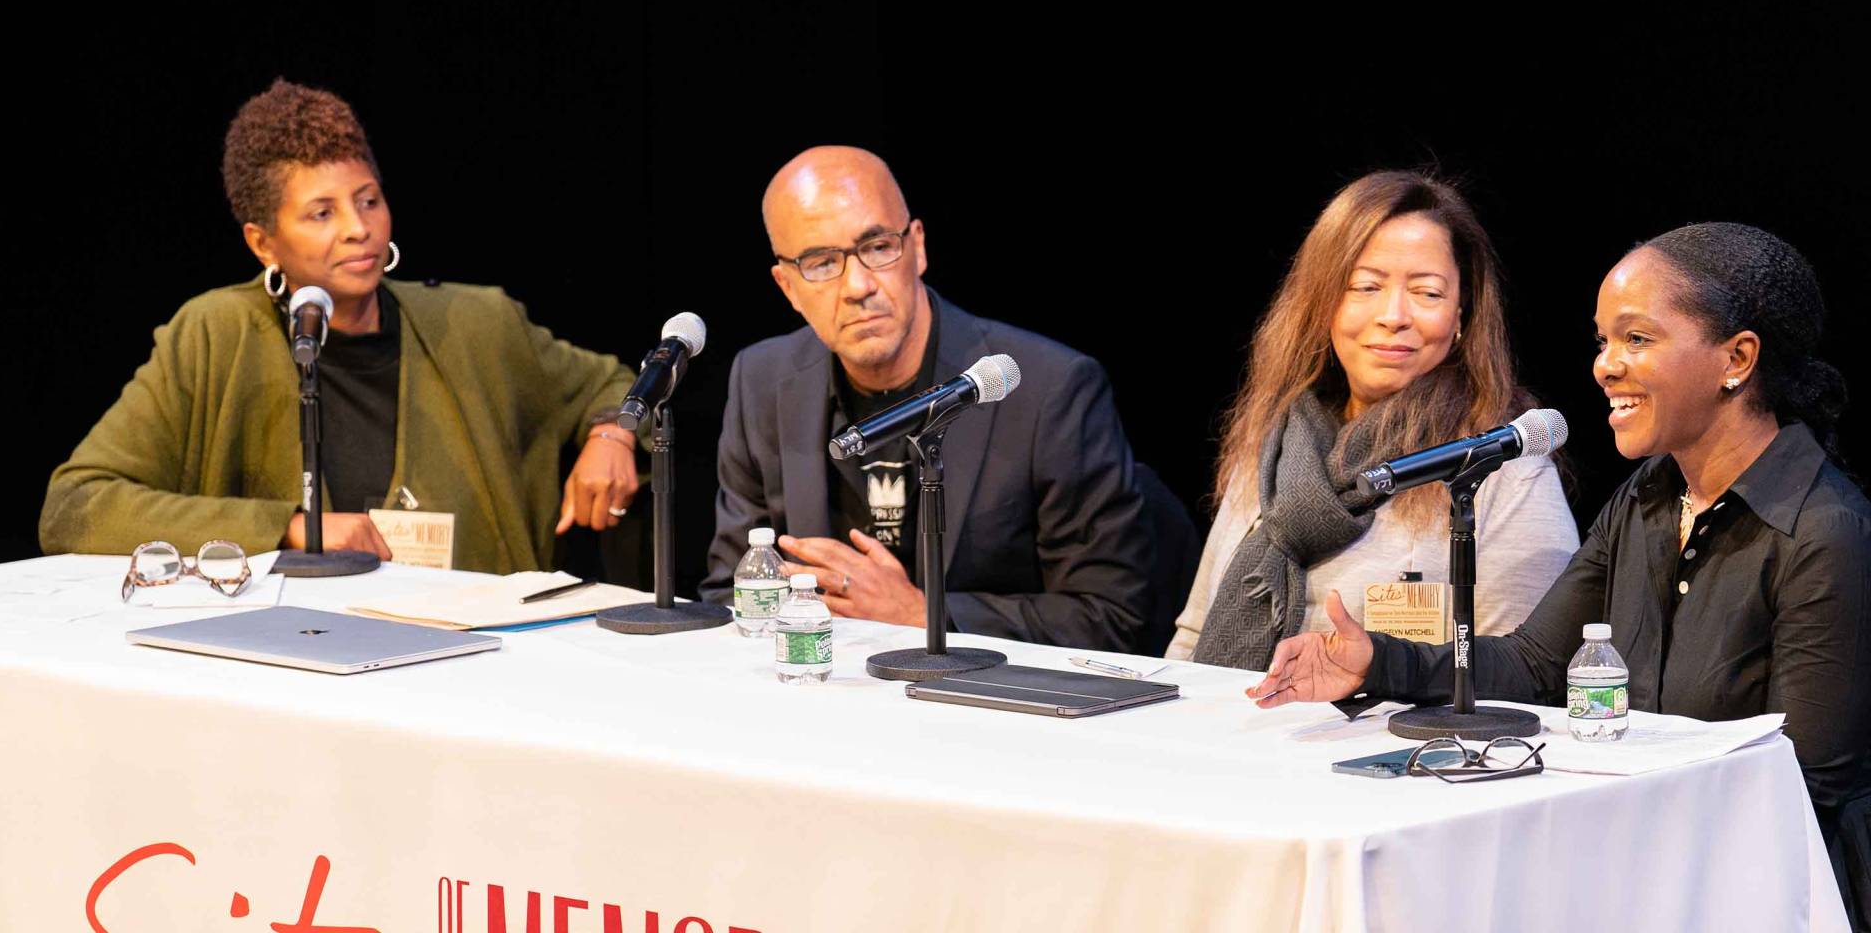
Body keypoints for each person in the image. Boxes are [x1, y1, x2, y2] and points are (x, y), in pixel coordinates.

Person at [1247, 222, 1870, 911]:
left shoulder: (1825, 532)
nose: (1605, 365)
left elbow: (1803, 786)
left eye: (1636, 338)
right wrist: (1377, 663)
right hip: (1642, 863)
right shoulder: (1647, 496)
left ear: (1738, 358)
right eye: (1602, 341)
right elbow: (1537, 666)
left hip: (1758, 890)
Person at [40, 78, 640, 574]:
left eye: (369, 200)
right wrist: (291, 528)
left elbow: (614, 386)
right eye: (322, 213)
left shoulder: (477, 323)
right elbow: (75, 506)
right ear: (263, 242)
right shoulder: (212, 336)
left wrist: (611, 438)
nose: (358, 228)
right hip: (280, 662)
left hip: (478, 655)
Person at [700, 145, 1153, 652]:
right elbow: (731, 591)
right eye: (822, 262)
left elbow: (1110, 614)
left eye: (876, 247)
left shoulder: (1049, 389)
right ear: (787, 286)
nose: (857, 286)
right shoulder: (760, 380)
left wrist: (920, 615)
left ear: (917, 247)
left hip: (985, 701)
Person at [1171, 171, 1577, 668]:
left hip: (1402, 745)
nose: (1393, 314)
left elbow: (1526, 672)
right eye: (1365, 286)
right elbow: (1193, 637)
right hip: (1233, 731)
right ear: (1323, 303)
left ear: (1460, 316)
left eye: (1427, 293)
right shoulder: (1272, 446)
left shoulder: (1501, 467)